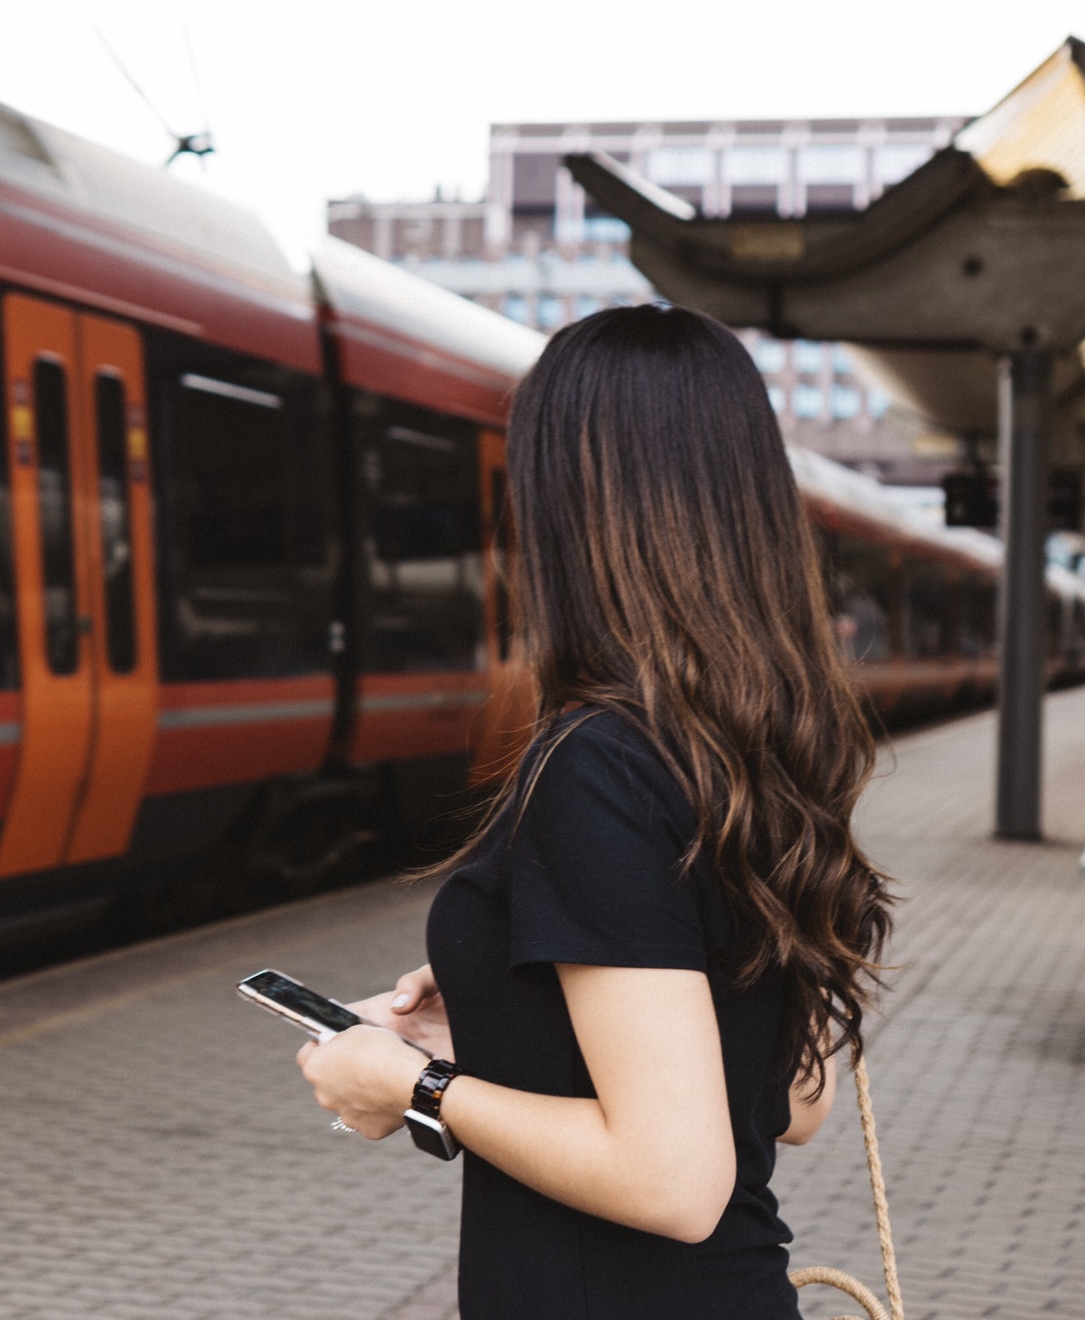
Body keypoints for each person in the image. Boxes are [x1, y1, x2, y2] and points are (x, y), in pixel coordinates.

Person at [295, 305, 894, 1318]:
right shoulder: (743, 753)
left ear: (564, 503)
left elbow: (673, 1180)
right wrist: (505, 1005)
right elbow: (791, 1101)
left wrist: (407, 1084)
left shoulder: (597, 765)